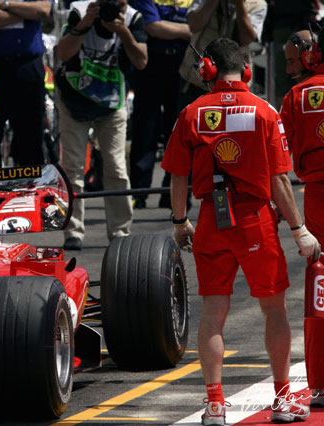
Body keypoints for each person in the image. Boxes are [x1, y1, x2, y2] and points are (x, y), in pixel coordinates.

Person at [163, 38, 318, 425]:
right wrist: (300, 229)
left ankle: (215, 404)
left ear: (207, 69)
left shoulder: (192, 112)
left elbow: (177, 174)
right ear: (246, 70)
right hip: (254, 221)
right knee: (273, 309)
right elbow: (280, 180)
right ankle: (283, 400)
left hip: (211, 222)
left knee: (213, 313)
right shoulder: (264, 111)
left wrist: (180, 221)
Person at [55, 0, 147, 250]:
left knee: (116, 167)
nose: (112, 7)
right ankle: (72, 232)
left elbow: (141, 61)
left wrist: (123, 32)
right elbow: (62, 53)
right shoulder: (80, 11)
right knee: (73, 167)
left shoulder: (132, 19)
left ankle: (120, 232)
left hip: (112, 100)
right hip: (73, 97)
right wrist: (84, 25)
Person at [280, 27, 324, 409]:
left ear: (313, 55)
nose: (292, 68)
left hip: (316, 198)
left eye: (295, 61)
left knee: (320, 290)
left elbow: (281, 158)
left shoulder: (295, 96)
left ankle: (322, 384)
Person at [129, 0, 192, 210]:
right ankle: (139, 192)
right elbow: (152, 26)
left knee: (180, 130)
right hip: (151, 63)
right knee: (145, 129)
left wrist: (170, 28)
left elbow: (200, 25)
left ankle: (174, 193)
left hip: (183, 65)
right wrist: (188, 29)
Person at [0, 0, 52, 168]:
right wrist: (26, 14)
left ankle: (30, 187)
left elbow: (42, 10)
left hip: (28, 67)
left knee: (31, 134)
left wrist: (4, 5)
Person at [177, 0, 267, 109]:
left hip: (235, 84)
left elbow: (246, 39)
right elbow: (194, 25)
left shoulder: (258, 4)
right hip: (197, 78)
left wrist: (240, 6)